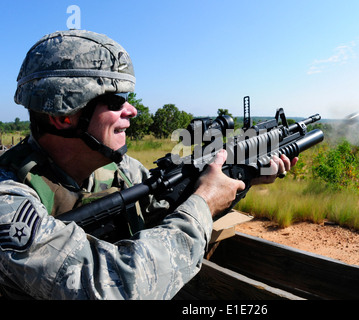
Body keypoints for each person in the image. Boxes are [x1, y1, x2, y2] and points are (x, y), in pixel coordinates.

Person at [0, 30, 296, 300]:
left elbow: (168, 213)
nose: (132, 110)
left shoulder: (122, 170)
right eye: (116, 101)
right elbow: (114, 288)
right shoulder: (8, 202)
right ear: (65, 115)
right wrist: (203, 204)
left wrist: (242, 178)